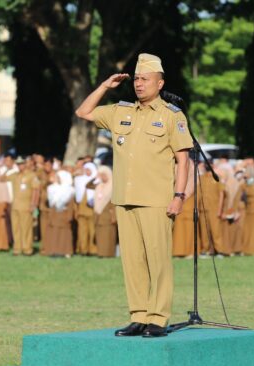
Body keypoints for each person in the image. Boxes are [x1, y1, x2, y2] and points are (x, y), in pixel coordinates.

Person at [75, 53, 192, 338]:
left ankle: (158, 318)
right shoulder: (120, 111)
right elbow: (84, 112)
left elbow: (183, 159)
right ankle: (138, 315)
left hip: (156, 199)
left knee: (158, 260)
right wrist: (105, 86)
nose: (139, 84)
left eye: (145, 79)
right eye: (137, 79)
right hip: (124, 199)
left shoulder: (171, 116)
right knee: (132, 261)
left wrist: (179, 195)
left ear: (160, 83)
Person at [7, 157, 40, 256]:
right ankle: (17, 248)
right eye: (18, 164)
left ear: (25, 164)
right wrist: (10, 167)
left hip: (26, 205)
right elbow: (2, 178)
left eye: (21, 164)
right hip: (15, 205)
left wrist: (34, 204)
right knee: (16, 228)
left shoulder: (31, 175)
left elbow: (36, 190)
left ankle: (27, 249)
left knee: (26, 228)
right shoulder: (14, 175)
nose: (20, 166)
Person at [46, 170, 75, 257]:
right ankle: (54, 250)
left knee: (64, 233)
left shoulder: (70, 190)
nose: (57, 179)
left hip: (64, 214)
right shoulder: (54, 188)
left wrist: (69, 216)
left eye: (59, 178)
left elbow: (70, 205)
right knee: (54, 232)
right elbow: (52, 202)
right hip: (55, 214)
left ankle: (65, 251)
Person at [74, 162, 98, 256]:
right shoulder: (79, 180)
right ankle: (82, 249)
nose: (87, 172)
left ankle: (92, 250)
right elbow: (77, 197)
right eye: (86, 169)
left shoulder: (96, 181)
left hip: (92, 210)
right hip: (81, 209)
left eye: (89, 170)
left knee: (92, 230)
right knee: (82, 231)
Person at [94, 166, 117, 257]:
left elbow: (114, 204)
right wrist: (96, 177)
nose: (102, 177)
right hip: (98, 215)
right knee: (100, 236)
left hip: (108, 215)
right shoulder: (99, 186)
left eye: (104, 175)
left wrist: (114, 217)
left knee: (108, 236)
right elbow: (88, 185)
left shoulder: (113, 186)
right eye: (101, 175)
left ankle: (108, 254)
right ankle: (100, 253)